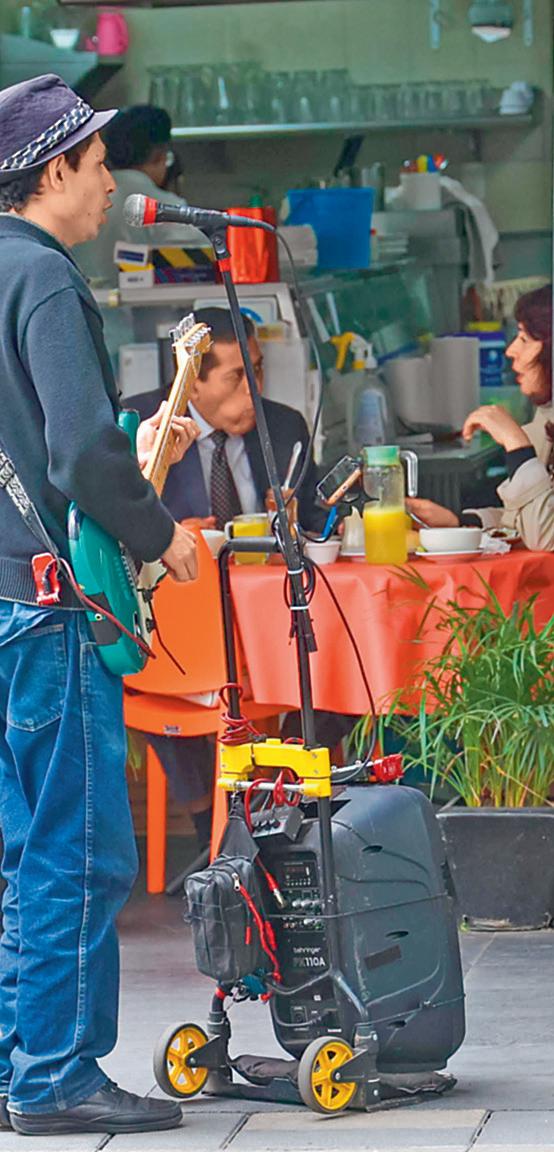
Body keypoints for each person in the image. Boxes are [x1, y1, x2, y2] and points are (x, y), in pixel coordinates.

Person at [0, 74, 200, 1136]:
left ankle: (15, 1066)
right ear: (52, 171)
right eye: (97, 162)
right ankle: (58, 1080)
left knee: (22, 852)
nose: (113, 182)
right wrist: (161, 536)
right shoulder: (41, 276)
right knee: (79, 851)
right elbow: (81, 452)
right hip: (46, 615)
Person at [127, 307, 351, 831]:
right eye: (235, 378)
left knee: (341, 658)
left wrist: (307, 516)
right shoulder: (144, 429)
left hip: (275, 623)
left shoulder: (284, 426)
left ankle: (282, 797)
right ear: (192, 383)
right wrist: (167, 531)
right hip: (182, 629)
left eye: (258, 370)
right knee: (158, 673)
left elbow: (319, 524)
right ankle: (214, 819)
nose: (253, 391)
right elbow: (120, 531)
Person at [407, 285, 554, 551]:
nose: (511, 351)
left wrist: (517, 445)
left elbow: (545, 536)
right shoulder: (546, 416)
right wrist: (460, 522)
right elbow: (525, 519)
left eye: (524, 339)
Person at [75, 103, 203, 288]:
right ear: (160, 155)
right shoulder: (166, 207)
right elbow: (205, 260)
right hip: (147, 306)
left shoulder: (78, 201)